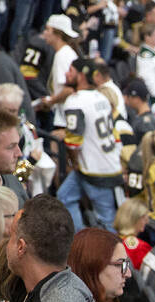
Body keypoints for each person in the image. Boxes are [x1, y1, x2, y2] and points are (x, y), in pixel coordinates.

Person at [57, 58, 120, 231]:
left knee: (107, 221)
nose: (66, 74)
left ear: (82, 75)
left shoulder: (75, 101)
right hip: (105, 163)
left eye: (70, 70)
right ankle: (80, 242)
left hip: (95, 170)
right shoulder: (101, 97)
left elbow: (73, 142)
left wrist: (74, 162)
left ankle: (115, 257)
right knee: (64, 197)